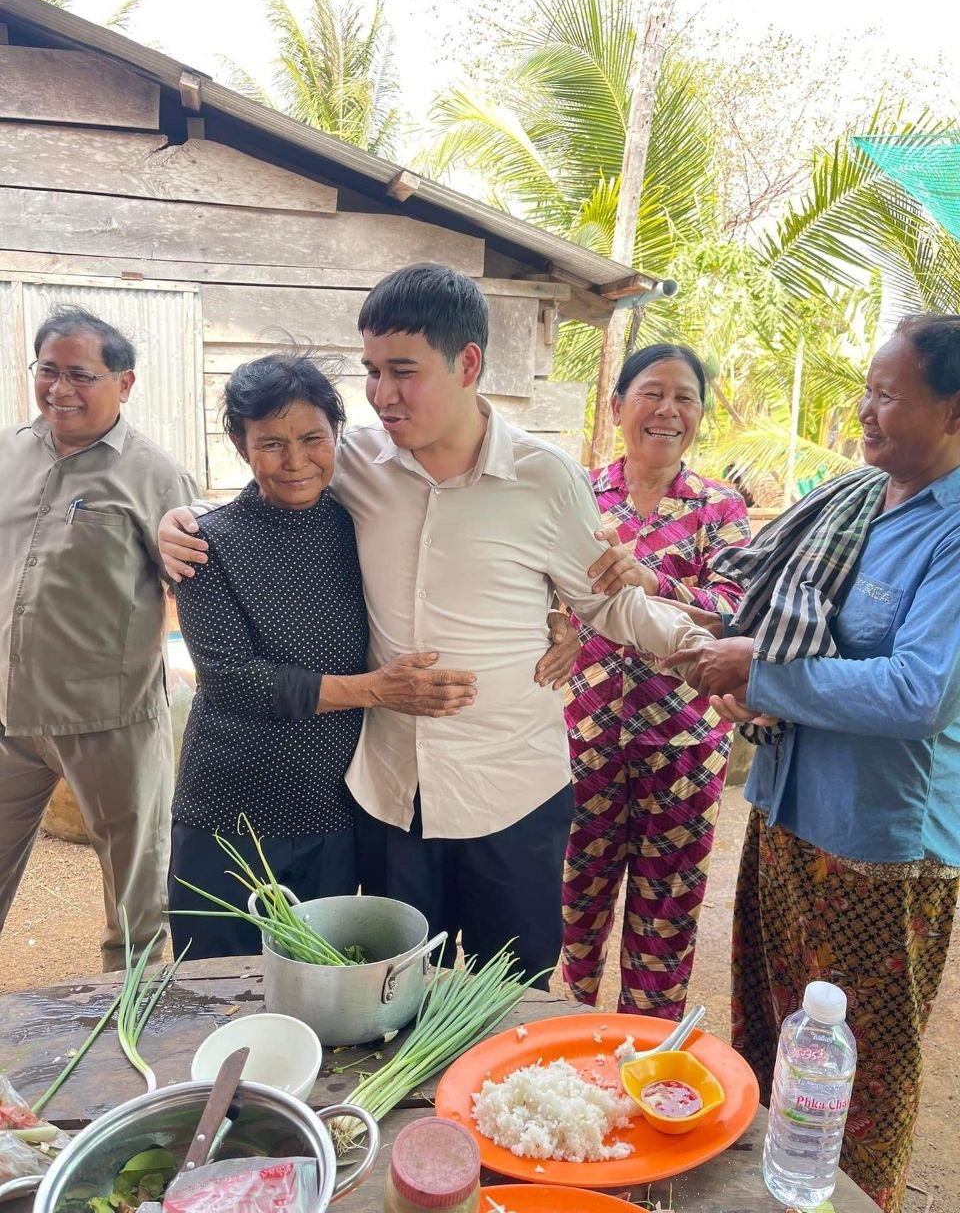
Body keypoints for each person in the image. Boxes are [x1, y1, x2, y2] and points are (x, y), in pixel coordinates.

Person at [158, 264, 715, 983]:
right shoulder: (355, 459)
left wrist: (702, 648)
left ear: (468, 364)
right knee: (393, 989)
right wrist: (178, 524)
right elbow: (275, 478)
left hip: (508, 791)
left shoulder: (545, 477)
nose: (382, 393)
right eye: (372, 371)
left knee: (506, 993)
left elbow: (606, 599)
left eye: (403, 371)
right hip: (391, 797)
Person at [665, 315, 960, 1213]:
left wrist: (761, 672)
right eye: (866, 389)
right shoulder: (860, 501)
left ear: (954, 412)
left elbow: (918, 693)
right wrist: (751, 677)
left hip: (879, 845)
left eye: (887, 395)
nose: (865, 411)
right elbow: (804, 636)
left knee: (857, 1069)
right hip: (789, 809)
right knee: (772, 1026)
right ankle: (763, 1195)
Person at [169, 353, 479, 959]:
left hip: (332, 813)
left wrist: (560, 619)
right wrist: (375, 689)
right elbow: (234, 682)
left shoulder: (362, 526)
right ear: (240, 445)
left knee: (317, 985)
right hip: (228, 814)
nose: (295, 461)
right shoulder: (206, 544)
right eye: (271, 443)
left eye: (313, 438)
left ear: (337, 434)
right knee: (212, 986)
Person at [0, 307, 197, 970]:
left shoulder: (154, 475)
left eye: (81, 375)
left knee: (135, 903)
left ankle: (129, 1010)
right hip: (10, 714)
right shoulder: (7, 452)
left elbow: (191, 590)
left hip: (110, 721)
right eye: (48, 370)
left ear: (125, 382)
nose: (60, 389)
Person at [562, 344, 750, 1018]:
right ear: (617, 406)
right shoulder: (578, 494)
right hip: (580, 738)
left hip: (684, 748)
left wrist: (653, 582)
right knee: (572, 904)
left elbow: (734, 611)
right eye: (652, 392)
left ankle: (647, 1052)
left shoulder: (719, 506)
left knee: (665, 918)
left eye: (685, 397)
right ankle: (566, 1032)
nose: (668, 409)